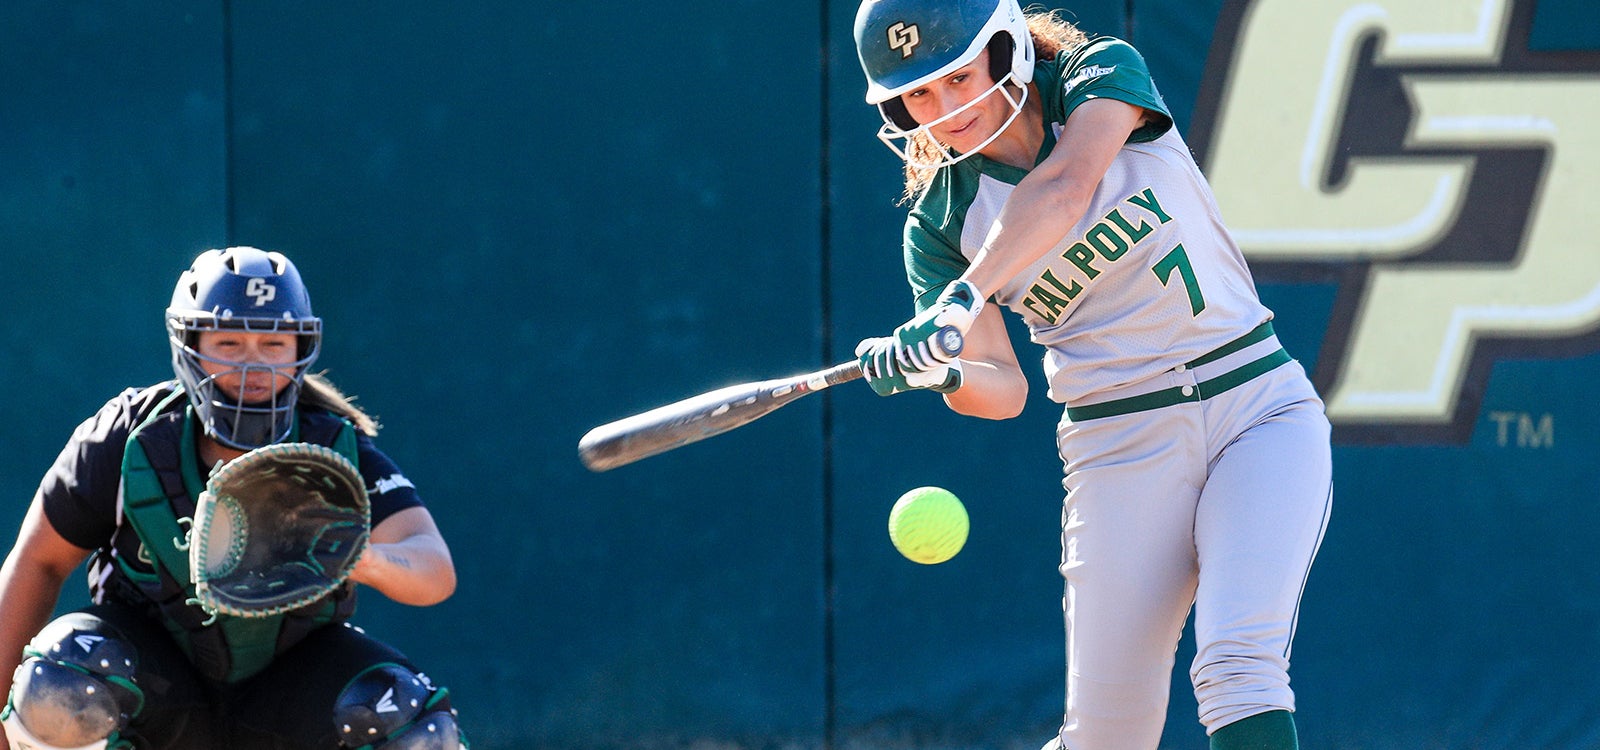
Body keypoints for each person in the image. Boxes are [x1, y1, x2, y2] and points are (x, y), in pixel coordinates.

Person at [850, 1, 1333, 748]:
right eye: (918, 93)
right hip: (1118, 447)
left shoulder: (1094, 74)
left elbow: (1068, 185)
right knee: (1108, 736)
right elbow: (1001, 391)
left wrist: (965, 297)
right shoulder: (940, 223)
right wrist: (938, 370)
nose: (944, 109)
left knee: (1239, 663)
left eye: (956, 76)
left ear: (1005, 47)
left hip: (1255, 406)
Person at [0, 247, 465, 749]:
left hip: (287, 689)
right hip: (156, 683)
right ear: (189, 346)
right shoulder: (129, 436)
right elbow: (36, 563)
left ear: (301, 349)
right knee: (62, 680)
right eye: (228, 342)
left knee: (407, 719)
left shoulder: (333, 449)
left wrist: (360, 559)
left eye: (272, 342)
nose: (252, 364)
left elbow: (434, 570)